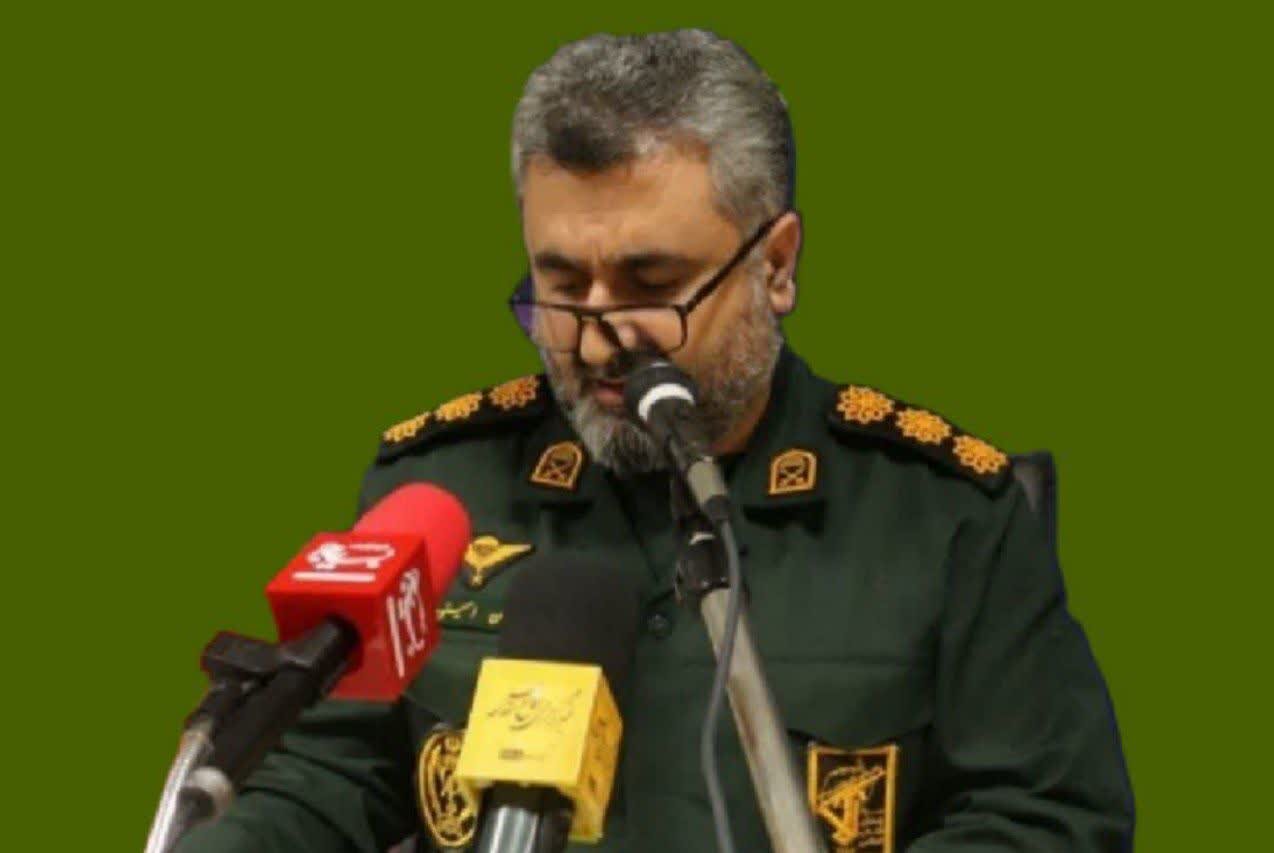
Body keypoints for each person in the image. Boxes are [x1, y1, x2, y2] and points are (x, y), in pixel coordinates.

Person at [176, 28, 1134, 852]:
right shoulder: (440, 493)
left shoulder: (943, 518)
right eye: (562, 285)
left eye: (651, 284)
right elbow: (324, 780)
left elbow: (1048, 815)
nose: (599, 338)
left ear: (776, 265)